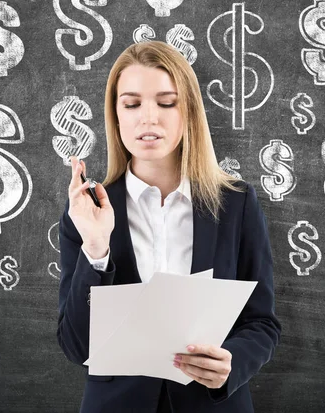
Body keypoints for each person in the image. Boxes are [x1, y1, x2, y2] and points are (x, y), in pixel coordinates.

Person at [57, 41, 281, 413]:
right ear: (115, 116)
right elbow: (77, 347)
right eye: (131, 104)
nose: (148, 118)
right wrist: (96, 249)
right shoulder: (87, 211)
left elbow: (262, 323)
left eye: (166, 102)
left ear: (188, 112)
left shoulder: (236, 204)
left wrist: (231, 363)